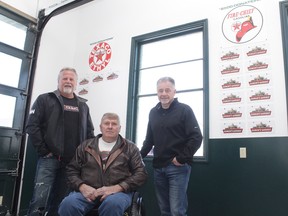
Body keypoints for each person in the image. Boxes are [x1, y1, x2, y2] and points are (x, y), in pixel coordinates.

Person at [26, 67, 95, 216]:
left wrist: (85, 156)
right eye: (65, 78)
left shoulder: (83, 105)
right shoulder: (44, 99)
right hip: (49, 160)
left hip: (72, 163)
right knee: (39, 200)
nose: (68, 81)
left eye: (71, 79)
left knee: (61, 201)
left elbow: (90, 133)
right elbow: (31, 126)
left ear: (76, 84)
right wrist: (44, 150)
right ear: (58, 81)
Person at [58, 112, 148, 216]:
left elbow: (141, 174)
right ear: (100, 127)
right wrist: (82, 186)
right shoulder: (85, 146)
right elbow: (71, 171)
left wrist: (117, 188)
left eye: (114, 124)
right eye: (106, 123)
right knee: (68, 204)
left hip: (118, 193)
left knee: (113, 204)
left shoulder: (130, 148)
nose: (110, 127)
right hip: (88, 191)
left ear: (119, 128)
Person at [140, 76, 203, 216]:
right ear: (157, 92)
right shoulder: (153, 112)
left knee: (177, 211)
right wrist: (137, 157)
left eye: (167, 90)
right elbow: (149, 140)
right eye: (160, 90)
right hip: (158, 168)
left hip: (177, 168)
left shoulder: (185, 110)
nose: (163, 93)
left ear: (174, 92)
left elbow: (197, 137)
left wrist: (181, 159)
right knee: (165, 210)